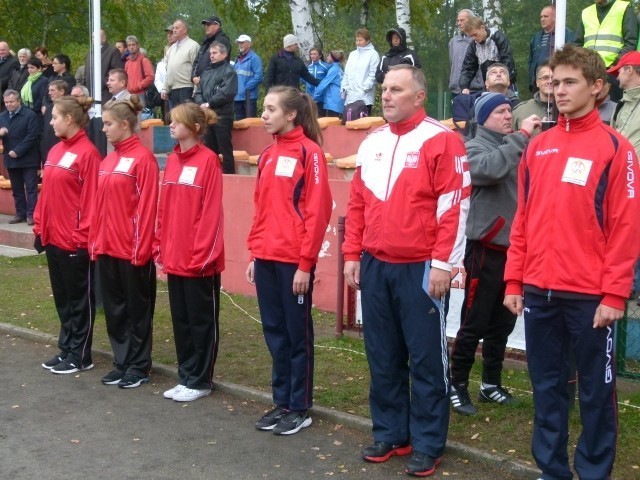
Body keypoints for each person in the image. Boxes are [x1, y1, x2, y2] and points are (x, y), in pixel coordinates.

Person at [503, 44, 640, 480]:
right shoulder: (538, 146)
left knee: (597, 395)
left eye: (569, 82)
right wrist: (512, 282)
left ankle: (594, 472)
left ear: (597, 87)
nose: (557, 90)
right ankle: (553, 470)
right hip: (540, 292)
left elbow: (625, 228)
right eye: (553, 81)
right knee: (546, 389)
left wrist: (615, 293)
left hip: (590, 299)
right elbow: (522, 219)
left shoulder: (617, 149)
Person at [342, 65, 470, 477]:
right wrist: (350, 254)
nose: (387, 95)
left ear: (419, 96)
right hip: (376, 264)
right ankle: (392, 432)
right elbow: (358, 202)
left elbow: (454, 207)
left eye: (396, 89)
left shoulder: (442, 139)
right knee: (382, 354)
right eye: (383, 89)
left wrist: (442, 264)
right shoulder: (373, 140)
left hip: (420, 267)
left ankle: (428, 441)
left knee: (426, 359)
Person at [246, 86, 332, 436]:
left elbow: (318, 210)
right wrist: (254, 253)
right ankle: (281, 401)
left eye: (270, 109)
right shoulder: (267, 155)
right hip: (266, 259)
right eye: (263, 109)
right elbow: (262, 209)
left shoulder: (309, 154)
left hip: (293, 263)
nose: (264, 115)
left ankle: (299, 407)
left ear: (291, 114)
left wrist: (305, 264)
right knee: (275, 334)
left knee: (297, 336)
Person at [449, 93, 540, 416]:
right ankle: (456, 384)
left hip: (513, 250)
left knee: (502, 322)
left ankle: (490, 383)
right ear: (484, 116)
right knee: (474, 320)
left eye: (508, 111)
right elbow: (488, 169)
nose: (506, 116)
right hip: (485, 248)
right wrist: (522, 136)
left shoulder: (513, 144)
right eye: (500, 111)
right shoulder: (474, 146)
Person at [155, 102, 223, 403]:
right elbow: (164, 208)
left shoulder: (209, 161)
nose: (171, 125)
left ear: (195, 128)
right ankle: (185, 375)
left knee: (200, 320)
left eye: (177, 121)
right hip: (175, 257)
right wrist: (161, 244)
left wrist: (202, 255)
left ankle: (201, 379)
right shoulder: (171, 161)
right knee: (181, 321)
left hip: (198, 260)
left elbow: (210, 214)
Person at [89, 95, 159, 389]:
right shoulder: (108, 160)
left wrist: (140, 249)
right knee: (115, 309)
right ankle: (122, 360)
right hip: (107, 247)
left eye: (108, 124)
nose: (103, 129)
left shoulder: (143, 159)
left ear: (125, 125)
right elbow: (98, 205)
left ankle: (139, 365)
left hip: (132, 250)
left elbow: (148, 207)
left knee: (137, 310)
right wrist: (95, 241)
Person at [33, 95, 100, 374]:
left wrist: (82, 236)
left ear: (69, 119)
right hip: (54, 236)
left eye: (55, 117)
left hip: (75, 239)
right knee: (63, 298)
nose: (50, 121)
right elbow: (46, 194)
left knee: (79, 299)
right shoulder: (56, 150)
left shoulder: (88, 153)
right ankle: (67, 347)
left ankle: (81, 354)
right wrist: (40, 226)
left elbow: (93, 201)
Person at [574, 0, 638, 101]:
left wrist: (616, 64)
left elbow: (630, 42)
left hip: (613, 72)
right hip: (588, 72)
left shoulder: (624, 8)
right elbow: (577, 44)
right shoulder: (586, 12)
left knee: (612, 109)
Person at [194, 42, 238, 174]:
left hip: (222, 116)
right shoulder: (206, 71)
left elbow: (226, 93)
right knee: (208, 149)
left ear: (223, 54)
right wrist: (201, 104)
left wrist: (208, 104)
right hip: (206, 116)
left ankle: (229, 177)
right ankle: (211, 176)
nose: (211, 56)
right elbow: (198, 91)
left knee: (225, 150)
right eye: (210, 53)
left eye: (215, 53)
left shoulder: (229, 71)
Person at [0, 90, 42, 225]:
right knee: (17, 189)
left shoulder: (29, 115)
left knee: (31, 188)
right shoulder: (2, 116)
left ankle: (32, 214)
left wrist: (18, 151)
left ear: (18, 101)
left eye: (11, 102)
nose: (8, 105)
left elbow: (32, 136)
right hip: (11, 159)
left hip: (28, 158)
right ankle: (20, 213)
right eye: (6, 102)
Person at [459, 17, 516, 95]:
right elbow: (467, 68)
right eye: (471, 36)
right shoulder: (473, 46)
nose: (473, 38)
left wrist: (504, 81)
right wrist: (464, 87)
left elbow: (508, 61)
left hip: (506, 84)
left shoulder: (498, 37)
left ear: (482, 27)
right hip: (489, 86)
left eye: (475, 34)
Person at [529, 5, 574, 93]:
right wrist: (532, 80)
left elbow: (572, 57)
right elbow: (531, 61)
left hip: (558, 81)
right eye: (541, 17)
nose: (542, 19)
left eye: (546, 16)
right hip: (539, 83)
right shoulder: (536, 37)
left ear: (555, 17)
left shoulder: (565, 34)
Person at [162, 20, 200, 107]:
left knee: (187, 118)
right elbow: (169, 70)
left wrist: (196, 89)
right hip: (173, 89)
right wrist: (165, 88)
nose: (174, 30)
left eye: (177, 28)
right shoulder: (171, 49)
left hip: (187, 88)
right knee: (176, 119)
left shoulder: (193, 46)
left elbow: (197, 68)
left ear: (185, 29)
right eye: (173, 28)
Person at [341, 29, 380, 115]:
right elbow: (346, 74)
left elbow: (373, 75)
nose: (358, 42)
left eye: (360, 40)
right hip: (350, 98)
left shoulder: (373, 54)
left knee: (362, 125)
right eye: (357, 40)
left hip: (364, 98)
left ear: (367, 40)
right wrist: (344, 89)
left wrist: (364, 90)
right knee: (348, 124)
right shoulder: (352, 54)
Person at [512, 63, 554, 137]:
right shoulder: (520, 111)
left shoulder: (570, 110)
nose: (550, 81)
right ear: (537, 82)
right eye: (545, 77)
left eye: (554, 78)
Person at [449, 9, 484, 97]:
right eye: (458, 20)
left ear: (471, 20)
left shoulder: (478, 40)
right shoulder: (453, 41)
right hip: (456, 91)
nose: (459, 23)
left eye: (462, 20)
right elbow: (452, 63)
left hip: (475, 90)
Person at [84, 29, 124, 102]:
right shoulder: (90, 53)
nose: (93, 39)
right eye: (92, 37)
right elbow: (86, 72)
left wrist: (105, 83)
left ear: (104, 38)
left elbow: (117, 72)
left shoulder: (112, 51)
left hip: (106, 93)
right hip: (91, 93)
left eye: (96, 37)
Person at [192, 15, 231, 85]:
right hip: (201, 84)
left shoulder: (222, 40)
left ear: (217, 26)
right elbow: (196, 61)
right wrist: (194, 77)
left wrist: (205, 77)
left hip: (215, 83)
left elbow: (219, 63)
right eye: (205, 25)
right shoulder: (205, 42)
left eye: (209, 24)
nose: (206, 26)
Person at [233, 34, 263, 120]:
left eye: (242, 42)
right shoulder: (237, 59)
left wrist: (245, 88)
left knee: (250, 124)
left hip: (249, 98)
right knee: (240, 124)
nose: (240, 44)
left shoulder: (255, 58)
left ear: (249, 44)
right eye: (239, 43)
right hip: (238, 97)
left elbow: (259, 77)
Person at [40, 80, 69, 163]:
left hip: (63, 153)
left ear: (62, 91)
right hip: (48, 153)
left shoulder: (69, 109)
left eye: (52, 90)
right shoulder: (49, 109)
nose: (49, 93)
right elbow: (44, 131)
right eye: (49, 90)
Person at [312, 50, 345, 118]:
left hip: (333, 102)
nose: (327, 57)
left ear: (333, 58)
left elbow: (324, 84)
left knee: (332, 124)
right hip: (338, 100)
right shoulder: (338, 69)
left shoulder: (334, 70)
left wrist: (315, 97)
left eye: (329, 56)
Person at [124, 35, 154, 107]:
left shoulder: (144, 60)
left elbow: (150, 77)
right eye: (129, 45)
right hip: (129, 94)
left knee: (141, 116)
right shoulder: (127, 62)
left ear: (137, 45)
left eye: (133, 44)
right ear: (127, 47)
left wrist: (139, 86)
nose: (131, 47)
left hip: (140, 94)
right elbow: (125, 78)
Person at [0, 42, 18, 111]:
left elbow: (10, 77)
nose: (1, 52)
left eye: (3, 50)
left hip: (4, 96)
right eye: (0, 50)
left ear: (8, 50)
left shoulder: (14, 61)